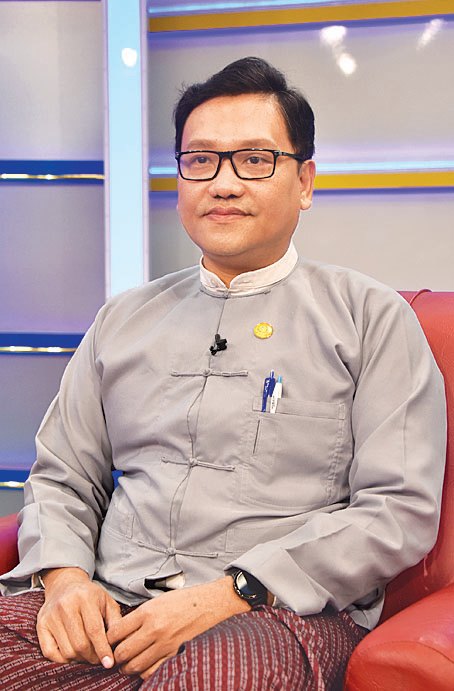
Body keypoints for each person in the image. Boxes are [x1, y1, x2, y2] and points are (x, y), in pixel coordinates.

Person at [0, 57, 446, 690]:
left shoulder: (369, 318)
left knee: (214, 675)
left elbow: (396, 510)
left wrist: (231, 593)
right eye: (201, 160)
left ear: (304, 181)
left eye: (255, 160)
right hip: (111, 601)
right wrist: (66, 581)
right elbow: (62, 476)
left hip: (274, 613)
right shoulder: (123, 319)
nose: (224, 184)